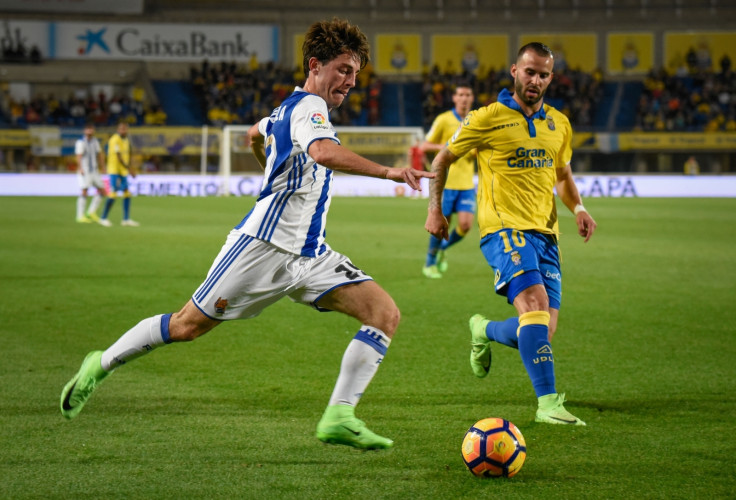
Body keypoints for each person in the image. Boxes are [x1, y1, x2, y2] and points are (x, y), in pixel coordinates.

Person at [60, 18, 433, 451]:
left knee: (383, 313)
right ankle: (98, 364)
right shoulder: (311, 108)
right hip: (261, 249)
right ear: (315, 65)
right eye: (343, 70)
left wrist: (268, 163)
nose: (350, 82)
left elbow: (253, 134)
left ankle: (339, 414)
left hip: (310, 255)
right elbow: (323, 152)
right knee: (186, 327)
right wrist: (389, 171)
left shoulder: (286, 109)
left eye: (355, 74)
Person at [425, 42, 597, 426]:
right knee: (534, 307)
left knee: (541, 331)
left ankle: (483, 329)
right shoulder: (487, 118)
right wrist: (434, 208)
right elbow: (443, 158)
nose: (535, 80)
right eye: (529, 71)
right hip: (503, 229)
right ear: (514, 71)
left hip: (547, 235)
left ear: (551, 78)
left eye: (543, 74)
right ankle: (548, 404)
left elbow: (563, 175)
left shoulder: (559, 123)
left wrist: (580, 208)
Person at [420, 82, 476, 278]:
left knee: (466, 225)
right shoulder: (444, 120)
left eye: (467, 94)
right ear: (454, 98)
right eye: (460, 94)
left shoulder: (476, 120)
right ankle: (429, 263)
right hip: (446, 184)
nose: (464, 98)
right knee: (441, 225)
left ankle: (443, 248)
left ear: (472, 98)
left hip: (467, 185)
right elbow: (424, 146)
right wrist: (447, 147)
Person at [99, 122, 138, 227]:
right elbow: (119, 156)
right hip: (114, 170)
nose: (123, 131)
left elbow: (128, 155)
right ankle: (103, 218)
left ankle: (126, 219)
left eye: (124, 129)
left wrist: (129, 167)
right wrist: (130, 169)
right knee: (113, 193)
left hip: (123, 171)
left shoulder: (126, 140)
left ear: (127, 130)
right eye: (121, 129)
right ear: (118, 130)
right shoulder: (114, 139)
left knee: (127, 193)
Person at [74, 123, 106, 224]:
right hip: (85, 170)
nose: (90, 131)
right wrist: (80, 168)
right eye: (88, 129)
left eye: (91, 129)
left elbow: (99, 154)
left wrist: (103, 166)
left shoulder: (95, 142)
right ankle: (80, 216)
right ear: (84, 130)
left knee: (102, 191)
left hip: (94, 171)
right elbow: (78, 156)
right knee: (84, 191)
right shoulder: (81, 142)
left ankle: (91, 212)